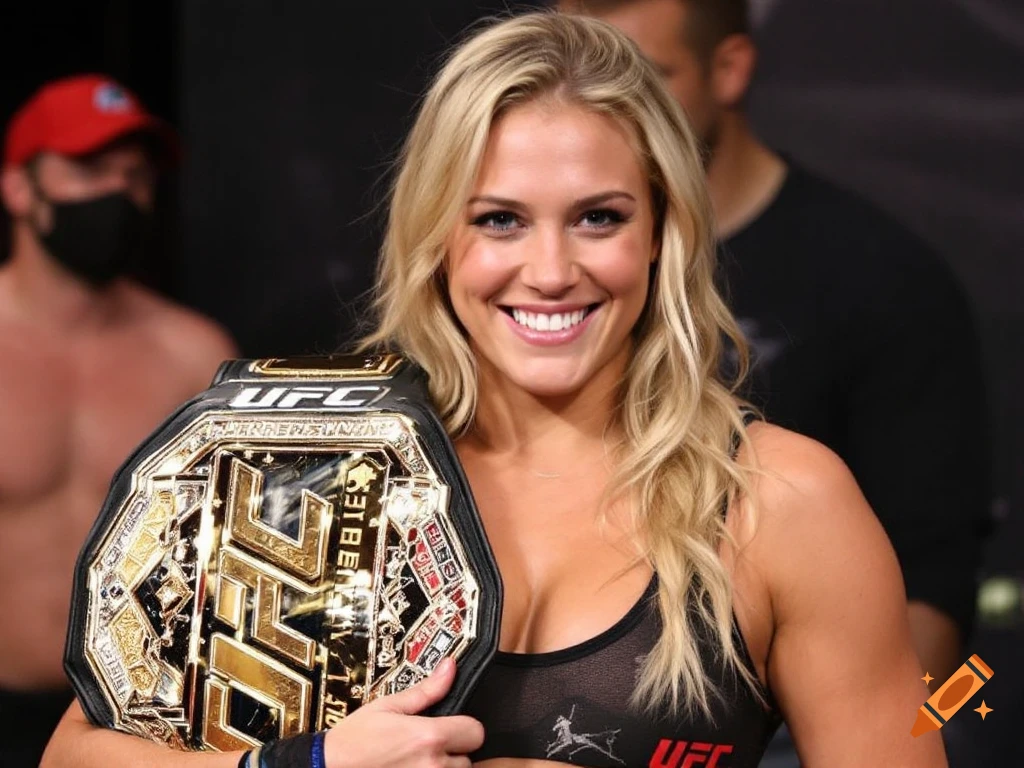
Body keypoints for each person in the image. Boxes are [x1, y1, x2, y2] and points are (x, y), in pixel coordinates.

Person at [42, 14, 946, 768]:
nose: (550, 271)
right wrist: (301, 764)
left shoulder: (779, 502)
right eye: (499, 220)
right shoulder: (297, 462)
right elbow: (74, 753)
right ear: (437, 237)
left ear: (663, 233)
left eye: (599, 217)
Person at [558, 0, 990, 686]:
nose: (597, 112)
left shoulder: (881, 279)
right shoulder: (531, 290)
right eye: (570, 74)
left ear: (728, 70)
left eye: (640, 79)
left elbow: (933, 580)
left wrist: (887, 733)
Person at [0, 74, 237, 767]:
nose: (120, 193)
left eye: (135, 175)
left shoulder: (195, 354)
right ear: (19, 188)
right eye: (89, 168)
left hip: (139, 730)